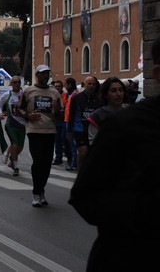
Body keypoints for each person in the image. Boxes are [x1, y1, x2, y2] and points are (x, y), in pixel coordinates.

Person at [69, 36, 160, 271]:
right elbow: (85, 197)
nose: (119, 94)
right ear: (158, 74)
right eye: (115, 90)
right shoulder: (125, 126)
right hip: (130, 256)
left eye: (122, 90)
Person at [17, 64, 62, 207]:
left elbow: (60, 113)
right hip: (34, 131)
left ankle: (41, 190)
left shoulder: (54, 92)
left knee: (47, 163)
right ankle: (36, 193)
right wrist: (28, 115)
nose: (45, 76)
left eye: (47, 73)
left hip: (50, 130)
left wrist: (57, 111)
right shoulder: (29, 91)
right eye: (42, 74)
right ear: (37, 75)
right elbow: (18, 109)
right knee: (38, 161)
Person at [66, 76, 102, 171]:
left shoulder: (99, 98)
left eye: (93, 84)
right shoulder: (77, 98)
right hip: (80, 129)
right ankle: (79, 173)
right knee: (83, 152)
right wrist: (69, 131)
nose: (91, 86)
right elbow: (71, 114)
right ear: (85, 85)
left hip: (93, 129)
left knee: (92, 153)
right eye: (89, 84)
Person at [0, 76, 26, 176]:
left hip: (22, 123)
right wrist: (0, 113)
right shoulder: (7, 94)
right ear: (11, 84)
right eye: (14, 82)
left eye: (18, 82)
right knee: (14, 144)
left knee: (20, 147)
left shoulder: (24, 94)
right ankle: (16, 167)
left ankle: (9, 156)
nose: (17, 84)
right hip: (11, 123)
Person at [87, 77, 127, 145]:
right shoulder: (97, 117)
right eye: (114, 91)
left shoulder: (131, 112)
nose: (118, 94)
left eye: (121, 90)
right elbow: (94, 144)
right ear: (106, 94)